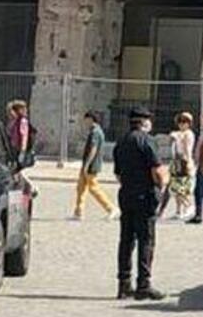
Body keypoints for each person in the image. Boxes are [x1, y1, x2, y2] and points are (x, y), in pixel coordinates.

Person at [112, 107, 167, 301]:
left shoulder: (122, 142)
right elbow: (158, 170)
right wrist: (161, 187)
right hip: (145, 195)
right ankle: (144, 284)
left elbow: (117, 173)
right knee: (146, 240)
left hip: (126, 194)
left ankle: (124, 284)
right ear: (145, 122)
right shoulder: (147, 141)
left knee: (126, 240)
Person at [71, 111, 116, 221]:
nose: (85, 122)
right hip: (88, 164)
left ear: (91, 119)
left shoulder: (95, 132)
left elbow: (93, 149)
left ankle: (111, 208)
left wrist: (87, 164)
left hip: (91, 165)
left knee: (93, 188)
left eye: (86, 119)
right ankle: (78, 211)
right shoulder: (96, 131)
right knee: (81, 187)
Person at [165, 112, 196, 220]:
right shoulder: (178, 133)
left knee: (181, 187)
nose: (181, 125)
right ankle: (178, 211)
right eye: (180, 122)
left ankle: (188, 206)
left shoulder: (188, 134)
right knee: (175, 186)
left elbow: (187, 149)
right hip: (176, 161)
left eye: (184, 122)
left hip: (184, 161)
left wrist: (188, 163)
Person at [6, 100, 34, 173]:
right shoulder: (15, 121)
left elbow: (24, 136)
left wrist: (23, 151)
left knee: (20, 169)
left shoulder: (22, 121)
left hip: (20, 148)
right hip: (14, 148)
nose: (26, 110)